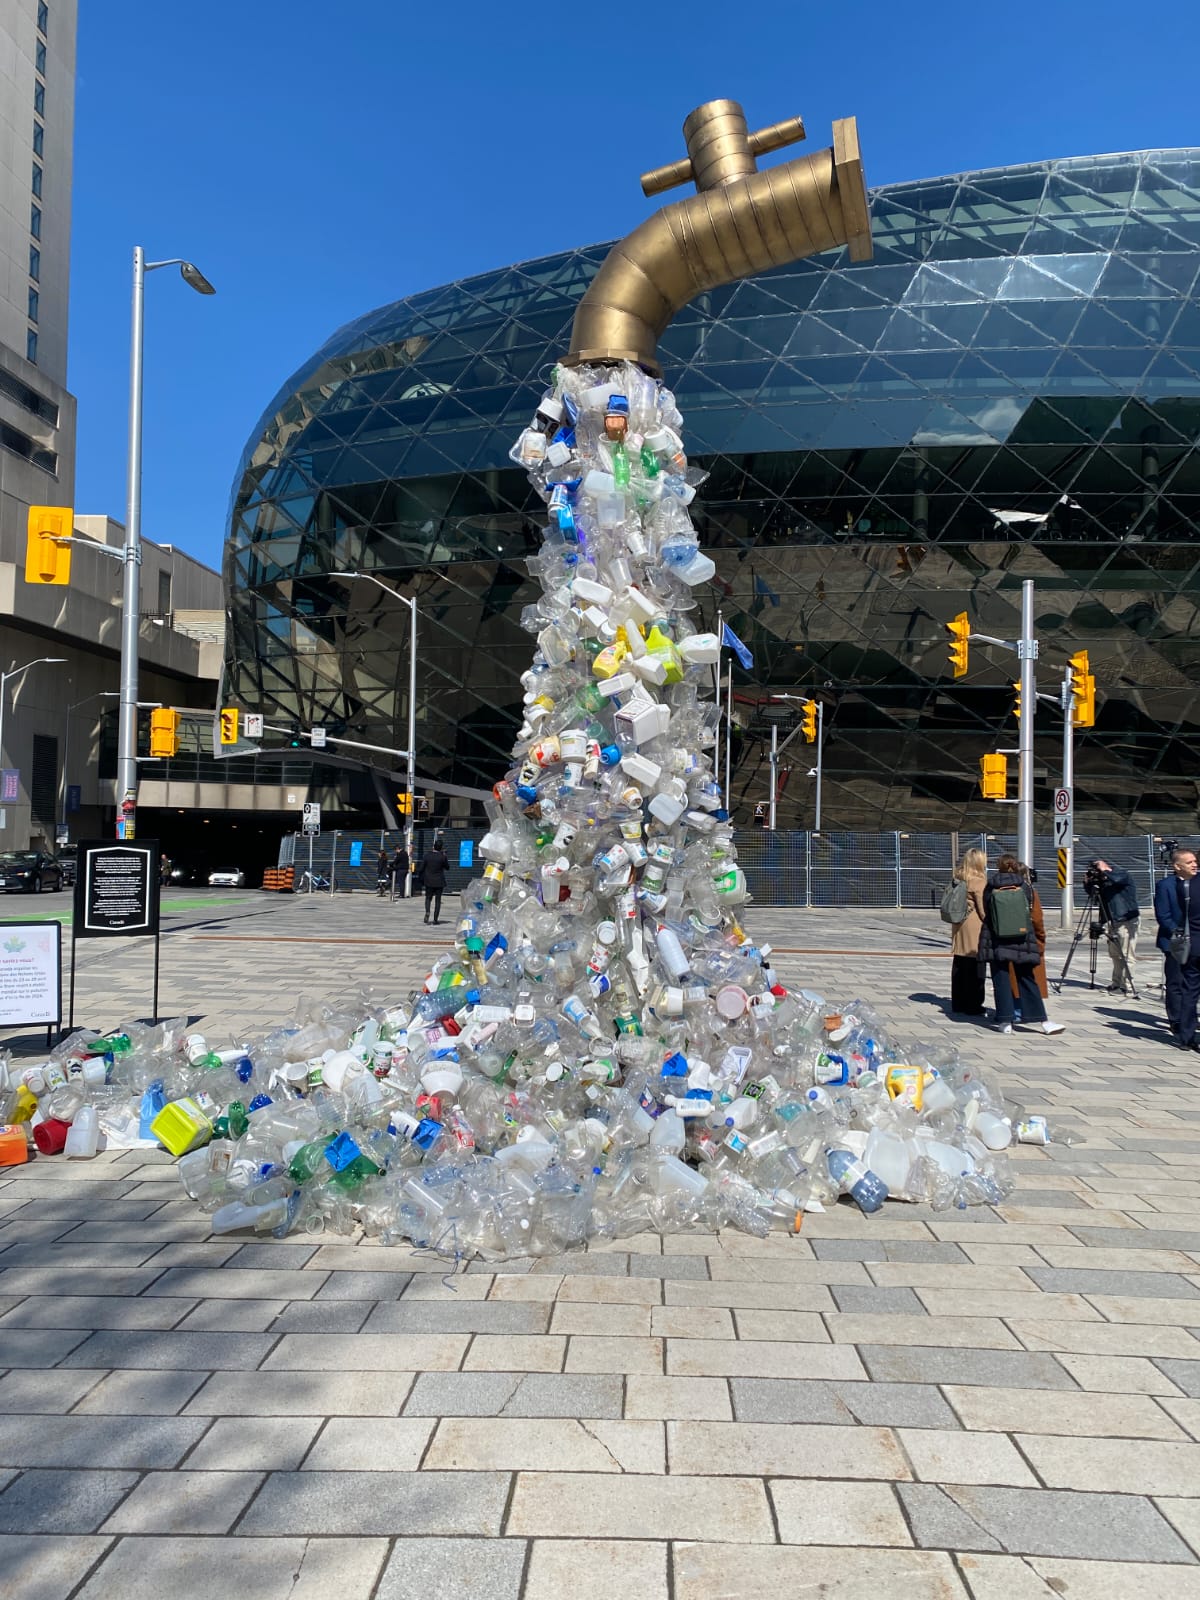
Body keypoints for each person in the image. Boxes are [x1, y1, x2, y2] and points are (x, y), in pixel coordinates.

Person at [978, 853, 1065, 1036]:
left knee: (1001, 980)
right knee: (1027, 979)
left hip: (996, 938)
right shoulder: (1024, 887)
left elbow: (987, 910)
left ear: (998, 867)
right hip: (1022, 937)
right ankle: (1042, 1020)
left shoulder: (990, 886)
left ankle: (1005, 1021)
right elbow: (1033, 916)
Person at [1155, 846, 1199, 1046]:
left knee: (1189, 985)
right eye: (1189, 862)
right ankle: (1176, 1020)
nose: (1194, 864)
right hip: (1176, 941)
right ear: (1177, 866)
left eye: (1195, 861)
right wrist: (1178, 933)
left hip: (1195, 941)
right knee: (1175, 982)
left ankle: (1188, 1023)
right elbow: (1163, 914)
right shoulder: (1166, 885)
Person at [1087, 858, 1140, 995]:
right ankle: (1116, 983)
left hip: (1127, 919)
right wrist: (1089, 881)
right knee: (1115, 954)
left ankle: (1127, 985)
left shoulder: (1122, 874)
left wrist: (1104, 869)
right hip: (1113, 921)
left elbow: (1117, 880)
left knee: (1127, 954)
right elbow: (1093, 896)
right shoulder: (1104, 882)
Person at [949, 847, 987, 1016]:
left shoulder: (958, 876)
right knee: (976, 967)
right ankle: (974, 1004)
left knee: (959, 963)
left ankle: (958, 1002)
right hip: (974, 926)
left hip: (959, 924)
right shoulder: (979, 880)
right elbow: (982, 908)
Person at [421, 836, 449, 925]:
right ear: (441, 848)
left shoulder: (427, 856)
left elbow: (422, 868)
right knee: (438, 900)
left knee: (428, 898)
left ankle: (427, 911)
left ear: (433, 846)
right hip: (439, 881)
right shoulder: (442, 857)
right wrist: (445, 857)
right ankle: (435, 919)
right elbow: (447, 867)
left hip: (429, 880)